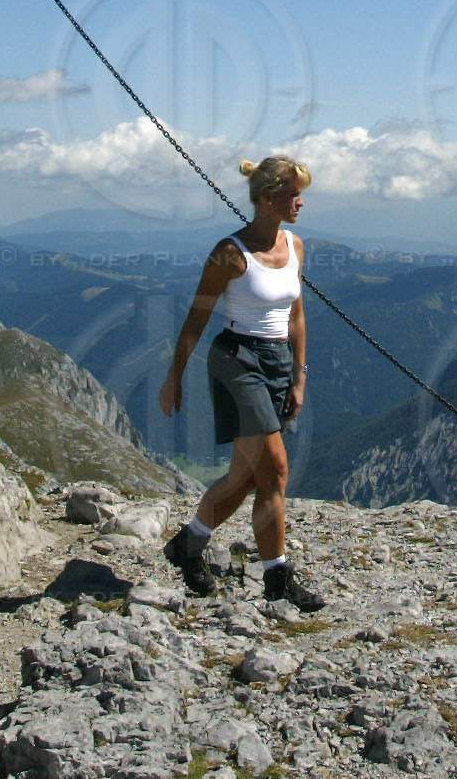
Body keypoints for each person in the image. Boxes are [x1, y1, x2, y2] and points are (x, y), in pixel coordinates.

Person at [156, 156, 327, 613]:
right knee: (276, 468)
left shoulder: (295, 246)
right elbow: (197, 317)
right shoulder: (230, 254)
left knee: (247, 475)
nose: (301, 202)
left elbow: (296, 315)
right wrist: (174, 376)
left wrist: (299, 376)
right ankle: (277, 579)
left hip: (277, 362)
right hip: (237, 360)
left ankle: (189, 544)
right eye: (293, 195)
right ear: (268, 199)